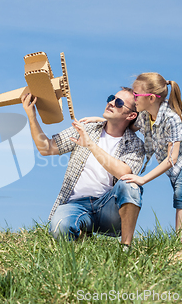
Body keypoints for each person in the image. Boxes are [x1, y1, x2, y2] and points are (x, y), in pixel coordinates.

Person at [82, 73, 182, 238]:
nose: (134, 98)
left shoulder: (172, 119)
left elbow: (171, 159)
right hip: (171, 158)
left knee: (180, 192)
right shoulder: (145, 114)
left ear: (152, 98)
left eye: (137, 95)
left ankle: (181, 243)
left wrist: (143, 179)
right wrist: (100, 121)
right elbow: (127, 124)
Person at [21, 87, 145, 247]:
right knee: (61, 228)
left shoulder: (135, 145)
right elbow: (46, 148)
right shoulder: (86, 129)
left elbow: (124, 173)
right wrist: (32, 116)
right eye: (112, 98)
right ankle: (82, 234)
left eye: (119, 102)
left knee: (131, 185)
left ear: (131, 115)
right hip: (76, 204)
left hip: (108, 207)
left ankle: (125, 247)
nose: (111, 103)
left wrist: (90, 145)